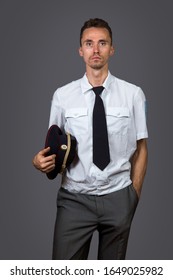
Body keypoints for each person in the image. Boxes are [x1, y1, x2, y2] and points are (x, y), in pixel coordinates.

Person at [33, 18, 148, 260]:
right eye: (89, 43)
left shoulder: (134, 95)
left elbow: (141, 147)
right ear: (80, 50)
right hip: (74, 199)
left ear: (112, 49)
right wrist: (39, 162)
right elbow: (52, 147)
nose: (95, 50)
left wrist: (132, 196)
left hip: (118, 196)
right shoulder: (62, 96)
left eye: (102, 43)